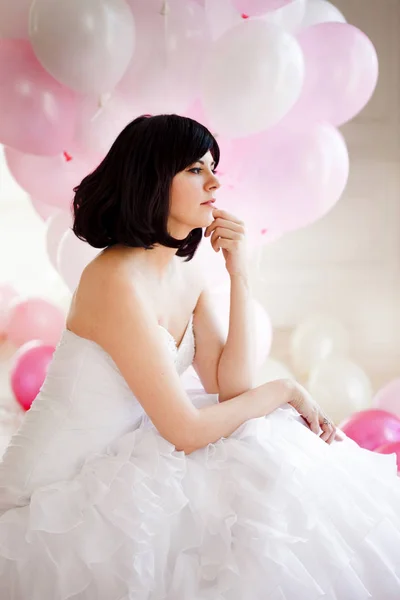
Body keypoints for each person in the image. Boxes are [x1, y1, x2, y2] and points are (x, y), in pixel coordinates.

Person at [0, 114, 399, 600]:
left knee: (263, 445)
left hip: (110, 463)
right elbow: (186, 431)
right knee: (253, 439)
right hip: (48, 493)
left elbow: (228, 388)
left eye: (213, 167)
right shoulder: (113, 280)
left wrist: (241, 275)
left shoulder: (187, 276)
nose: (215, 181)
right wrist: (286, 389)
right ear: (152, 180)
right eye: (194, 169)